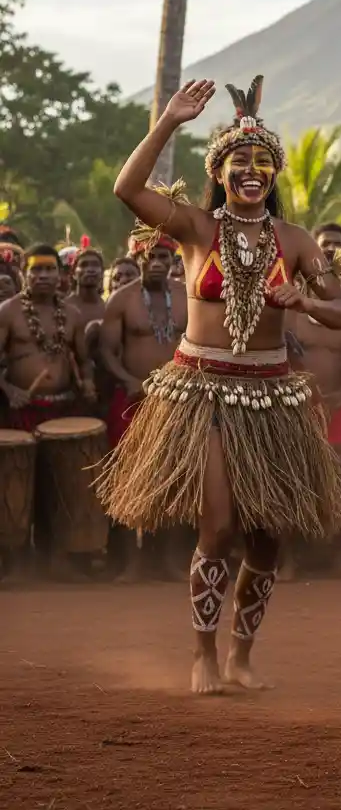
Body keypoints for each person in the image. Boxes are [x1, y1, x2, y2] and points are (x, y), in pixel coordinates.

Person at [95, 77, 341, 695]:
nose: (253, 171)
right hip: (204, 392)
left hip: (272, 398)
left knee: (268, 537)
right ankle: (203, 655)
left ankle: (242, 652)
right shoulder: (194, 229)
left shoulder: (293, 242)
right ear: (220, 171)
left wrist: (306, 301)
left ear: (273, 176)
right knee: (217, 529)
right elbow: (127, 189)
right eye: (240, 161)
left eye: (264, 163)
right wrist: (168, 122)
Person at [0, 244, 97, 578]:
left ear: (60, 275)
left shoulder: (72, 315)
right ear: (24, 273)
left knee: (59, 486)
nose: (43, 276)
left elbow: (84, 360)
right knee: (18, 487)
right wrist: (10, 389)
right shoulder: (8, 312)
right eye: (36, 270)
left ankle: (57, 558)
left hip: (62, 410)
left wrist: (87, 382)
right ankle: (17, 561)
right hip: (22, 412)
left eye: (49, 270)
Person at [99, 234, 188, 582]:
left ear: (171, 262)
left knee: (171, 477)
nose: (157, 264)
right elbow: (108, 351)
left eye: (164, 258)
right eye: (150, 257)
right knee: (127, 477)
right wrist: (128, 379)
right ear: (138, 259)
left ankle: (164, 558)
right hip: (133, 400)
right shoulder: (121, 300)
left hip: (176, 399)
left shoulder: (185, 297)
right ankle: (130, 562)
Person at [282, 223, 341, 579]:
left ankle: (336, 558)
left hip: (336, 407)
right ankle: (289, 560)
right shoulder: (289, 308)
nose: (328, 251)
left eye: (336, 246)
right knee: (291, 482)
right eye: (323, 245)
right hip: (295, 408)